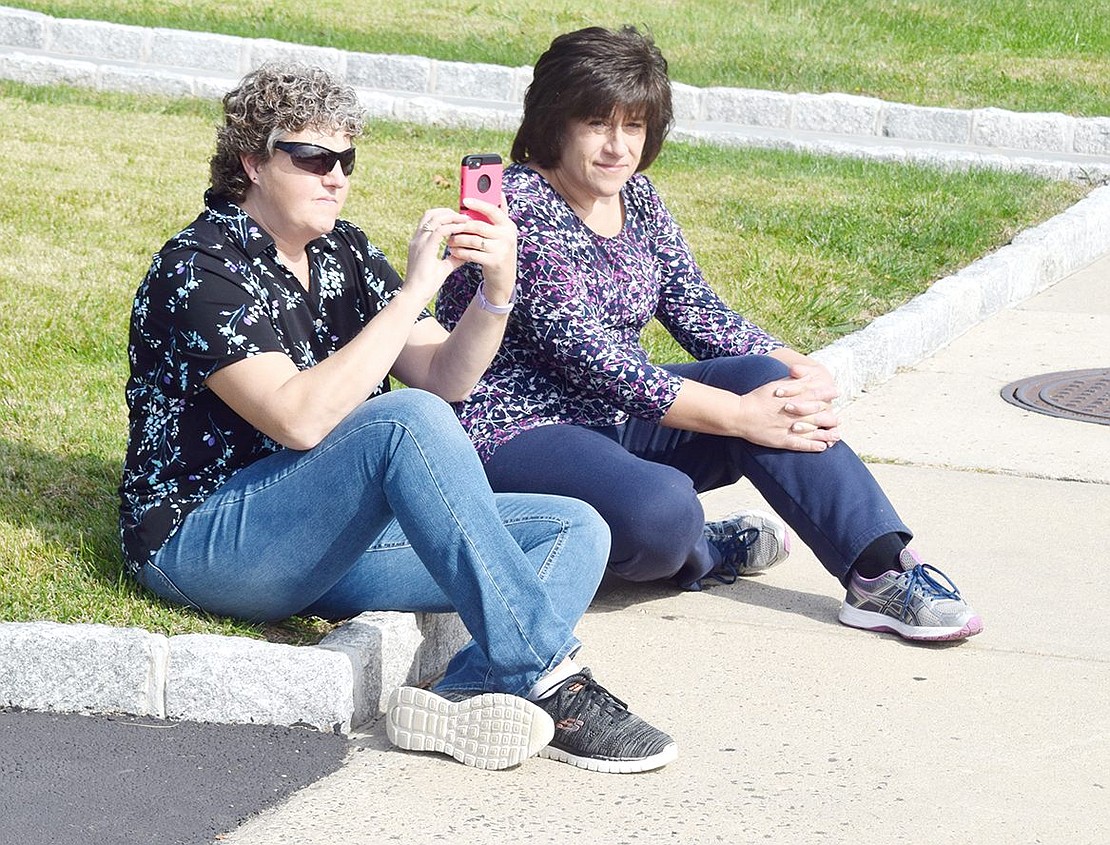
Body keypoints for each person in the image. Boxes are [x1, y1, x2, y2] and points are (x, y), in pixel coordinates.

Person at [118, 61, 676, 774]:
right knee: (400, 418)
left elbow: (448, 376)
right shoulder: (198, 269)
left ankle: (462, 694)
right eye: (314, 157)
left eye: (346, 159)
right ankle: (552, 678)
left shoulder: (342, 250)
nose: (336, 177)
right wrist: (411, 293)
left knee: (576, 527)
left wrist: (496, 293)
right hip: (202, 538)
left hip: (311, 537)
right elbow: (300, 419)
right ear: (252, 161)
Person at [437, 26, 983, 643]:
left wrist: (795, 366)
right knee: (663, 511)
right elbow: (597, 359)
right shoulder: (520, 208)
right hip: (515, 429)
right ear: (555, 124)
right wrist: (740, 417)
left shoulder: (634, 197)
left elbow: (695, 307)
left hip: (612, 416)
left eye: (635, 127)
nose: (619, 148)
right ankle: (703, 548)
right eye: (597, 124)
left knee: (772, 385)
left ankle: (881, 572)